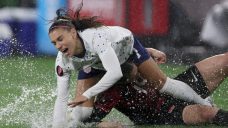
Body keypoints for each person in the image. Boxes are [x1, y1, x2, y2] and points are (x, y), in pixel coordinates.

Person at [49, 3, 210, 127]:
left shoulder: (95, 38)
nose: (58, 46)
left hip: (126, 49)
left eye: (60, 39)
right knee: (83, 113)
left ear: (73, 32)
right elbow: (61, 98)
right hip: (98, 61)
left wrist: (87, 94)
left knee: (164, 85)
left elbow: (115, 73)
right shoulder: (63, 61)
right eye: (54, 42)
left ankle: (205, 103)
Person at [79, 52, 228, 127]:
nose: (141, 72)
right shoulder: (111, 92)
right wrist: (105, 125)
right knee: (207, 112)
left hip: (175, 88)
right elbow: (88, 121)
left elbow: (134, 46)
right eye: (134, 76)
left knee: (225, 60)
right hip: (162, 112)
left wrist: (150, 51)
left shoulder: (125, 53)